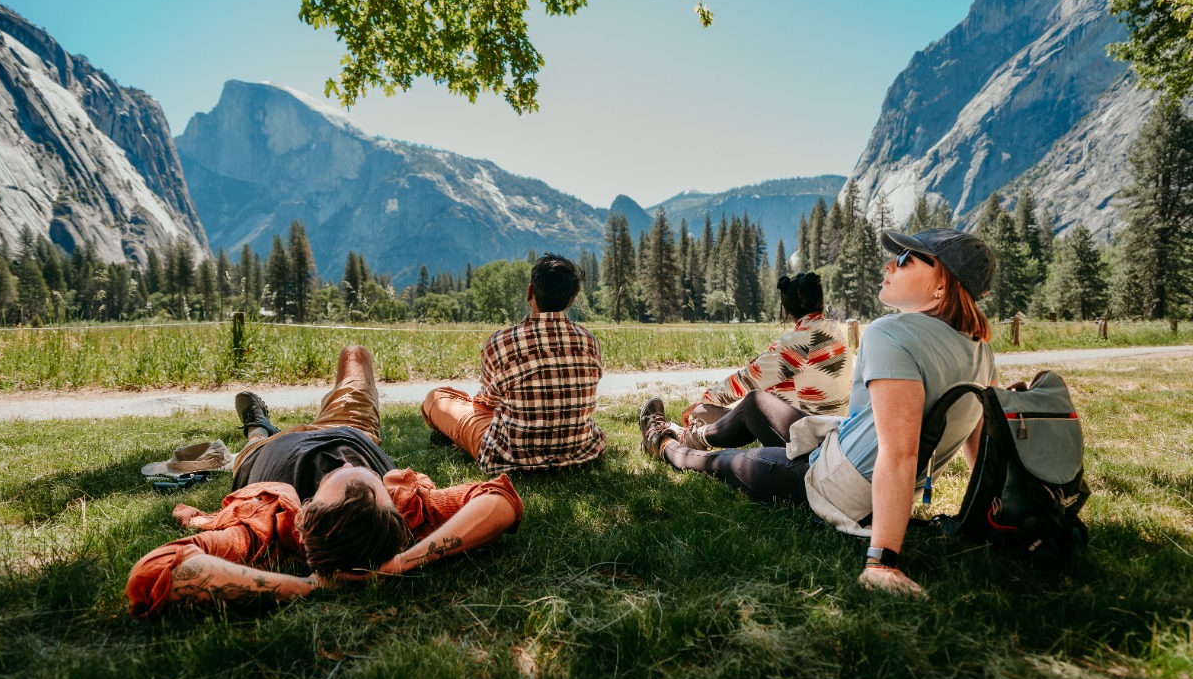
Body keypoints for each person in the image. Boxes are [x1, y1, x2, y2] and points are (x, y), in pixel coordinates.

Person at [639, 228, 997, 597]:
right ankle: (686, 434)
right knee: (755, 403)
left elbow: (900, 451)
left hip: (837, 487)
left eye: (906, 259)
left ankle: (663, 441)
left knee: (721, 463)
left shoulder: (892, 334)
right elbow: (980, 443)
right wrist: (989, 512)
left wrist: (882, 560)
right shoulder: (979, 349)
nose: (891, 263)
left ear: (942, 285)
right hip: (850, 462)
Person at [125, 345, 523, 618]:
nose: (356, 474)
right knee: (355, 356)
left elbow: (154, 572)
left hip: (267, 453)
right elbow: (499, 498)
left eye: (342, 485)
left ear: (306, 512)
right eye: (370, 486)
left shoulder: (268, 524)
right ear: (394, 509)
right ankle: (263, 426)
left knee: (255, 442)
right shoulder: (405, 515)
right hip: (350, 429)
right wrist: (402, 563)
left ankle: (258, 425)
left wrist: (310, 586)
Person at [421, 253, 606, 473]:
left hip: (509, 455)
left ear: (530, 292)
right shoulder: (591, 342)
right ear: (572, 300)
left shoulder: (501, 342)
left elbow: (488, 401)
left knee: (438, 397)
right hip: (578, 449)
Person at [677, 272, 852, 447]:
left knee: (703, 411)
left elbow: (745, 380)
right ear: (820, 301)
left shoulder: (796, 344)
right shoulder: (835, 333)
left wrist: (703, 400)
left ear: (787, 308)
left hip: (806, 440)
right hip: (834, 433)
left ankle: (691, 438)